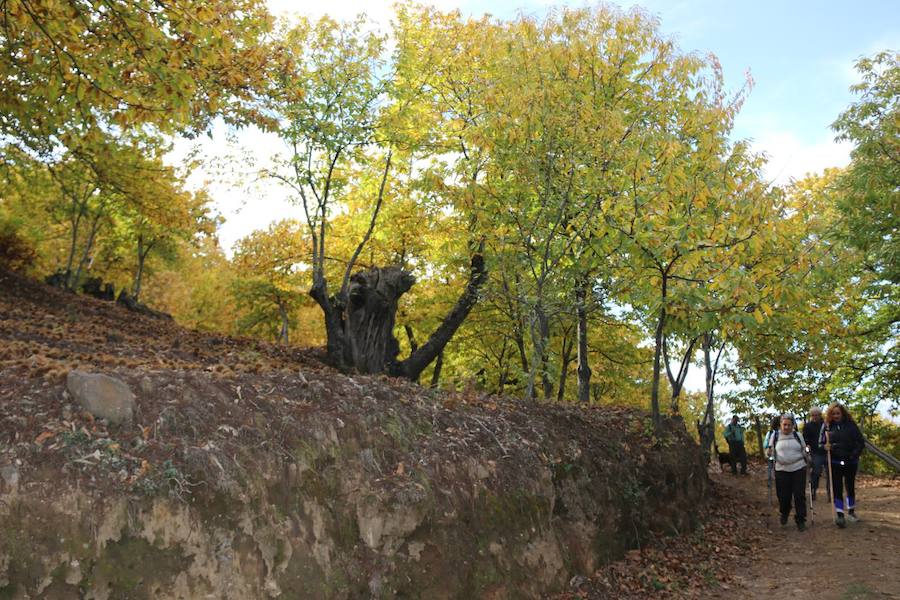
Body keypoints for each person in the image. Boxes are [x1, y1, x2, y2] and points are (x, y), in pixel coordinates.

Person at [823, 403, 865, 528]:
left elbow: (860, 442)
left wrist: (854, 454)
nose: (836, 416)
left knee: (850, 485)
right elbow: (821, 443)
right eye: (833, 413)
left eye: (838, 413)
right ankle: (840, 514)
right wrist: (826, 447)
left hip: (850, 461)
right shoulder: (827, 427)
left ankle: (851, 511)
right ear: (830, 415)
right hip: (835, 461)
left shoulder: (851, 426)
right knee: (837, 487)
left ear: (842, 413)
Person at [767, 414, 810, 530]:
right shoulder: (775, 436)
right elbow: (770, 450)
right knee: (783, 497)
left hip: (798, 468)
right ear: (780, 425)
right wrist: (769, 452)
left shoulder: (797, 435)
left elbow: (804, 449)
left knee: (799, 495)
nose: (786, 427)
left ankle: (801, 520)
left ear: (793, 425)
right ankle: (784, 512)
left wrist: (807, 454)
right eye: (784, 425)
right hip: (781, 469)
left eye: (789, 425)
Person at [802, 406, 828, 501]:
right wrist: (807, 445)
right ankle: (813, 490)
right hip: (816, 452)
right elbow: (805, 439)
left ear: (820, 415)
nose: (814, 417)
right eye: (812, 415)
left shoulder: (825, 425)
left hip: (827, 451)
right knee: (816, 471)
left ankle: (830, 494)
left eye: (816, 415)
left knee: (830, 473)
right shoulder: (808, 426)